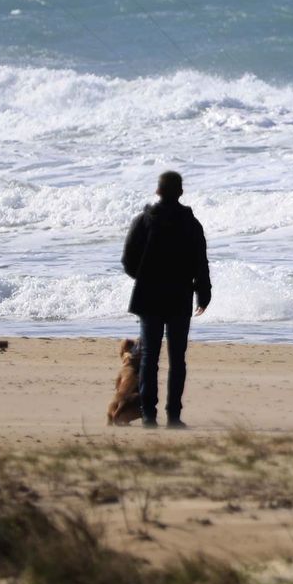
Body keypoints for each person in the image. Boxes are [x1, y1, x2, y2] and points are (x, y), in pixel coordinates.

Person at [122, 170, 211, 429]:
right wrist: (203, 294)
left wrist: (144, 277)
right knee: (177, 359)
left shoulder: (143, 221)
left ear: (158, 191)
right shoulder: (191, 224)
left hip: (149, 295)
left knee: (149, 358)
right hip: (178, 296)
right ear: (180, 192)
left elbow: (128, 260)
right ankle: (173, 416)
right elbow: (201, 263)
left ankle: (149, 416)